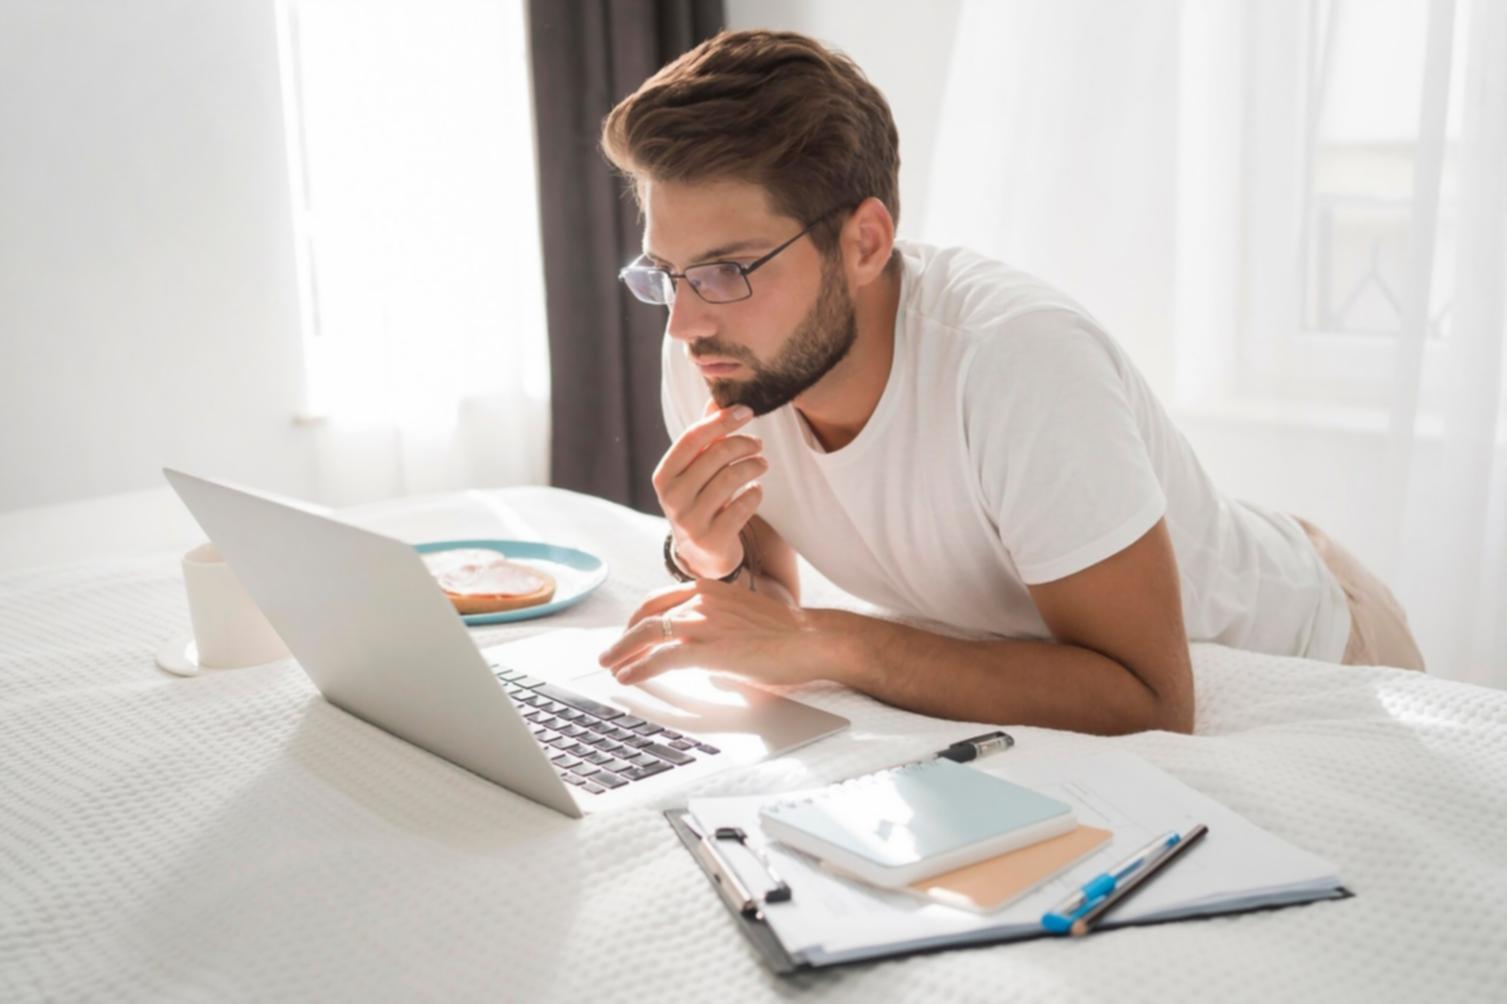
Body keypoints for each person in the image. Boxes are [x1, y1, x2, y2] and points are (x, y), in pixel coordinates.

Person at [595, 29, 1425, 736]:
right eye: (664, 274)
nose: (682, 323)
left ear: (864, 244)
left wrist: (833, 641)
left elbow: (1150, 697)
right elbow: (767, 604)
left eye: (729, 268)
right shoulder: (720, 346)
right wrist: (707, 553)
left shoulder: (1015, 361)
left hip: (1307, 648)